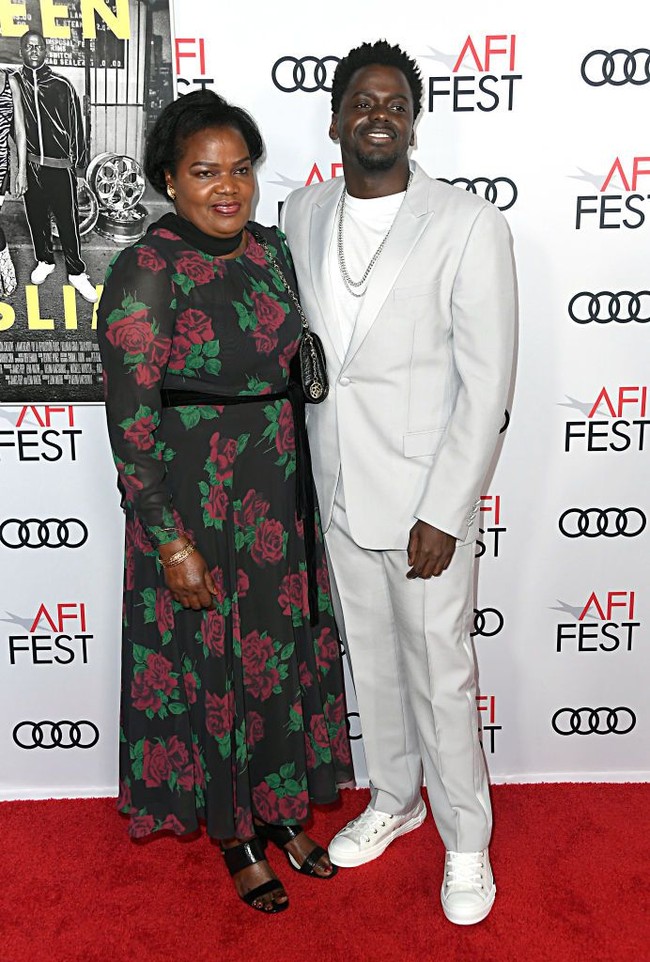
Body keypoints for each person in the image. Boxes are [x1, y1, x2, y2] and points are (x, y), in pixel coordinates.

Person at [96, 89, 352, 915]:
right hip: (196, 508)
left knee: (274, 664)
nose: (228, 187)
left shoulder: (271, 251)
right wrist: (169, 541)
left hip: (276, 495)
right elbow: (131, 426)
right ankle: (235, 834)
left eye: (240, 169)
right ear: (169, 179)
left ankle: (280, 811)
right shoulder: (148, 268)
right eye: (205, 172)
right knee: (214, 665)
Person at [281, 40, 516, 926]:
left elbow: (486, 386)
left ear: (413, 124)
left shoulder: (467, 224)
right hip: (336, 489)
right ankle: (394, 798)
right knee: (372, 665)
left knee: (440, 676)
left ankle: (467, 842)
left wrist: (446, 509)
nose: (378, 116)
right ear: (335, 119)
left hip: (424, 504)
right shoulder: (303, 210)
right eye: (362, 102)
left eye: (395, 104)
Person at [16, 29, 97, 303]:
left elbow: (77, 126)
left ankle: (76, 271)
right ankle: (45, 260)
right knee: (36, 216)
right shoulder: (16, 83)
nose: (34, 50)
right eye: (28, 46)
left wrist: (79, 166)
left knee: (67, 219)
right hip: (31, 165)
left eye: (38, 46)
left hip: (60, 167)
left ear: (46, 51)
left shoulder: (62, 85)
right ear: (21, 51)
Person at [0, 66, 27, 296]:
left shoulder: (10, 82)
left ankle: (5, 267)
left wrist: (22, 172)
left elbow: (19, 131)